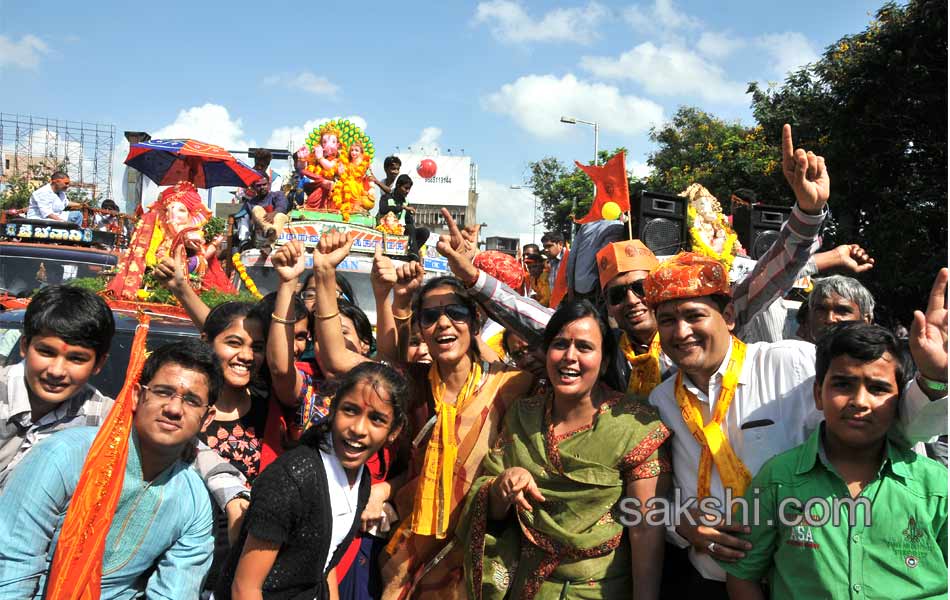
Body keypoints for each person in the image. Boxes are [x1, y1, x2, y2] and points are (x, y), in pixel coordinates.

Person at [307, 231, 534, 599]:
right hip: (411, 553)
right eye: (430, 316)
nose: (443, 323)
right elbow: (336, 359)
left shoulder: (511, 385)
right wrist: (325, 275)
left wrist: (477, 283)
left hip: (480, 552)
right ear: (421, 330)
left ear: (475, 324)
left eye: (455, 313)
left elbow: (556, 337)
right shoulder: (409, 385)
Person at [458, 301, 671, 599]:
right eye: (560, 345)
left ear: (605, 361)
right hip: (526, 587)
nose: (570, 357)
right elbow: (489, 504)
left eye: (584, 347)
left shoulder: (634, 425)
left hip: (597, 590)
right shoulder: (523, 415)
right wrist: (502, 486)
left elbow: (646, 529)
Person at [720, 323, 948, 600]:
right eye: (843, 384)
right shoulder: (777, 479)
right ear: (818, 394)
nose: (859, 401)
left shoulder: (935, 485)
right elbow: (743, 576)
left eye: (878, 388)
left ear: (899, 399)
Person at [0, 340, 222, 598]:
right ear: (137, 395)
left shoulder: (193, 500)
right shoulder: (64, 457)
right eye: (162, 392)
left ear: (207, 418)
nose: (173, 409)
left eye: (192, 401)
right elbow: (12, 569)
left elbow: (175, 593)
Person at [216, 362, 407, 600]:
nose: (358, 428)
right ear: (333, 408)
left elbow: (325, 563)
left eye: (376, 419)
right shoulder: (291, 480)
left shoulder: (361, 479)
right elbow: (245, 588)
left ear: (394, 431)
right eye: (350, 410)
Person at [377, 174, 429, 257]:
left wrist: (410, 215)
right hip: (386, 230)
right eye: (406, 188)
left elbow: (408, 221)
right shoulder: (386, 197)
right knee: (409, 227)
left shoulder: (406, 202)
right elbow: (383, 209)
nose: (407, 191)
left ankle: (411, 253)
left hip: (402, 230)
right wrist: (402, 208)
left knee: (424, 232)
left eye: (409, 189)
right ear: (398, 186)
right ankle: (413, 254)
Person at [235, 173, 290, 246]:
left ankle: (269, 241)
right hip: (261, 232)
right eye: (258, 185)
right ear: (253, 187)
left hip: (280, 222)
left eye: (264, 184)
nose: (262, 187)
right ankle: (269, 231)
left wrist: (273, 214)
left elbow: (282, 207)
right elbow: (241, 217)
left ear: (269, 185)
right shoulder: (250, 203)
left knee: (279, 215)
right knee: (256, 208)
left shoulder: (278, 195)